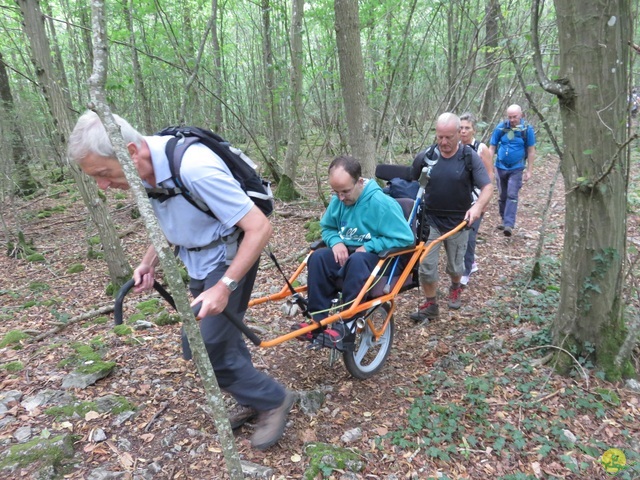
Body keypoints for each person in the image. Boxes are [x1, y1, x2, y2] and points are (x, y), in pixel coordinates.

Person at [67, 111, 294, 451]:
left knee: (204, 346)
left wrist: (225, 286)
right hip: (196, 259)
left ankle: (273, 399)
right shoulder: (143, 170)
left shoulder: (195, 169)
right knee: (218, 339)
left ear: (130, 152)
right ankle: (252, 397)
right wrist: (148, 263)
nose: (102, 185)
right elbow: (164, 219)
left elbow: (259, 228)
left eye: (102, 174)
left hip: (228, 258)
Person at [301, 156, 414, 350]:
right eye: (336, 192)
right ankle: (318, 321)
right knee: (318, 257)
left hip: (381, 258)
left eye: (345, 191)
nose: (341, 198)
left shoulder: (381, 203)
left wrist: (370, 246)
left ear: (360, 182)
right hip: (350, 254)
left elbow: (406, 238)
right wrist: (335, 242)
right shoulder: (339, 201)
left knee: (357, 260)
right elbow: (327, 227)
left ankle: (348, 324)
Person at [409, 113, 493, 323]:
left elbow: (488, 186)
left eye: (449, 137)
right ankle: (431, 304)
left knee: (456, 266)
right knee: (426, 267)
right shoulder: (427, 156)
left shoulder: (468, 156)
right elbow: (410, 181)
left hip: (459, 223)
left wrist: (477, 208)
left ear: (459, 134)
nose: (444, 142)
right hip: (431, 221)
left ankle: (455, 286)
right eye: (440, 137)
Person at [489, 104, 536, 237]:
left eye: (514, 117)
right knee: (502, 195)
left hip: (517, 167)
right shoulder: (501, 127)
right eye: (510, 117)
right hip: (500, 166)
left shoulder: (527, 130)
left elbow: (531, 150)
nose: (512, 120)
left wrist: (529, 170)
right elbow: (492, 147)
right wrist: (489, 166)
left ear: (520, 115)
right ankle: (504, 219)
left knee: (512, 194)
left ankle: (509, 224)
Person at [459, 112, 494, 286]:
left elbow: (489, 175)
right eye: (461, 128)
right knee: (459, 235)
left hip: (475, 200)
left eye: (467, 128)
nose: (464, 131)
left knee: (469, 236)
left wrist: (483, 203)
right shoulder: (454, 147)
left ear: (473, 130)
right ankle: (470, 262)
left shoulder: (481, 149)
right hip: (457, 199)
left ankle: (465, 271)